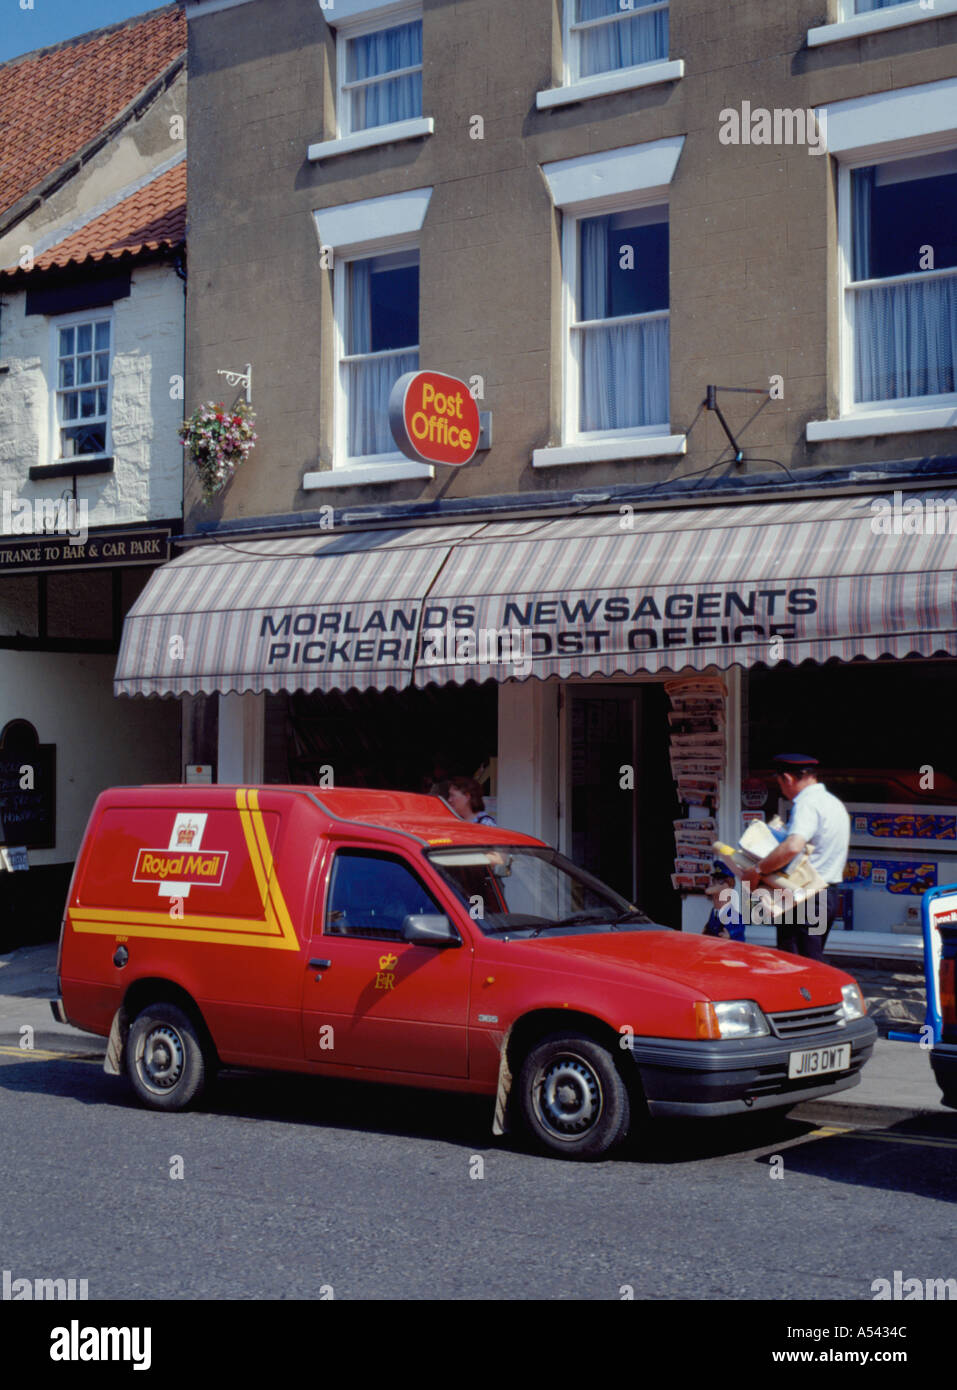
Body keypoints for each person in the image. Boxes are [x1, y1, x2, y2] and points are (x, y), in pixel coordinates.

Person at [741, 753, 850, 960]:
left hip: (804, 896)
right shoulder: (833, 803)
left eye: (780, 783)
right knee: (811, 962)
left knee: (797, 966)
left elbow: (793, 846)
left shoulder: (807, 804)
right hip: (826, 894)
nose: (782, 790)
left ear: (788, 779)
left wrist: (757, 870)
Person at [702, 867, 746, 942]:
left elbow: (740, 929)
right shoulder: (714, 911)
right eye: (714, 880)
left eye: (720, 880)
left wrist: (730, 934)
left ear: (729, 887)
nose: (714, 883)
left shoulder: (734, 915)